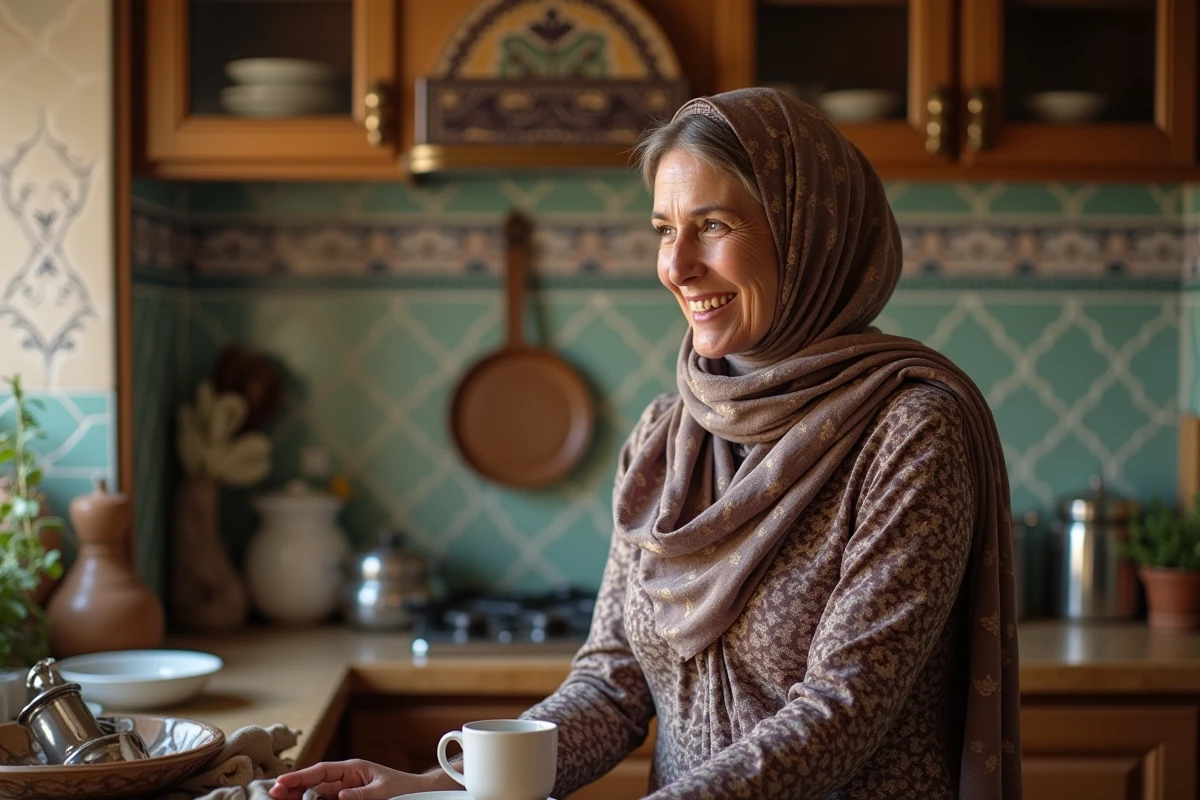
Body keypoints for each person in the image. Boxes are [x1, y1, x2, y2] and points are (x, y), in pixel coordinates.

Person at [269, 87, 1021, 800]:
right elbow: (613, 682)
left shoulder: (911, 431)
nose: (676, 265)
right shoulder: (670, 433)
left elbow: (841, 711)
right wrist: (447, 786)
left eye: (715, 226)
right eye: (665, 229)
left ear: (809, 235)